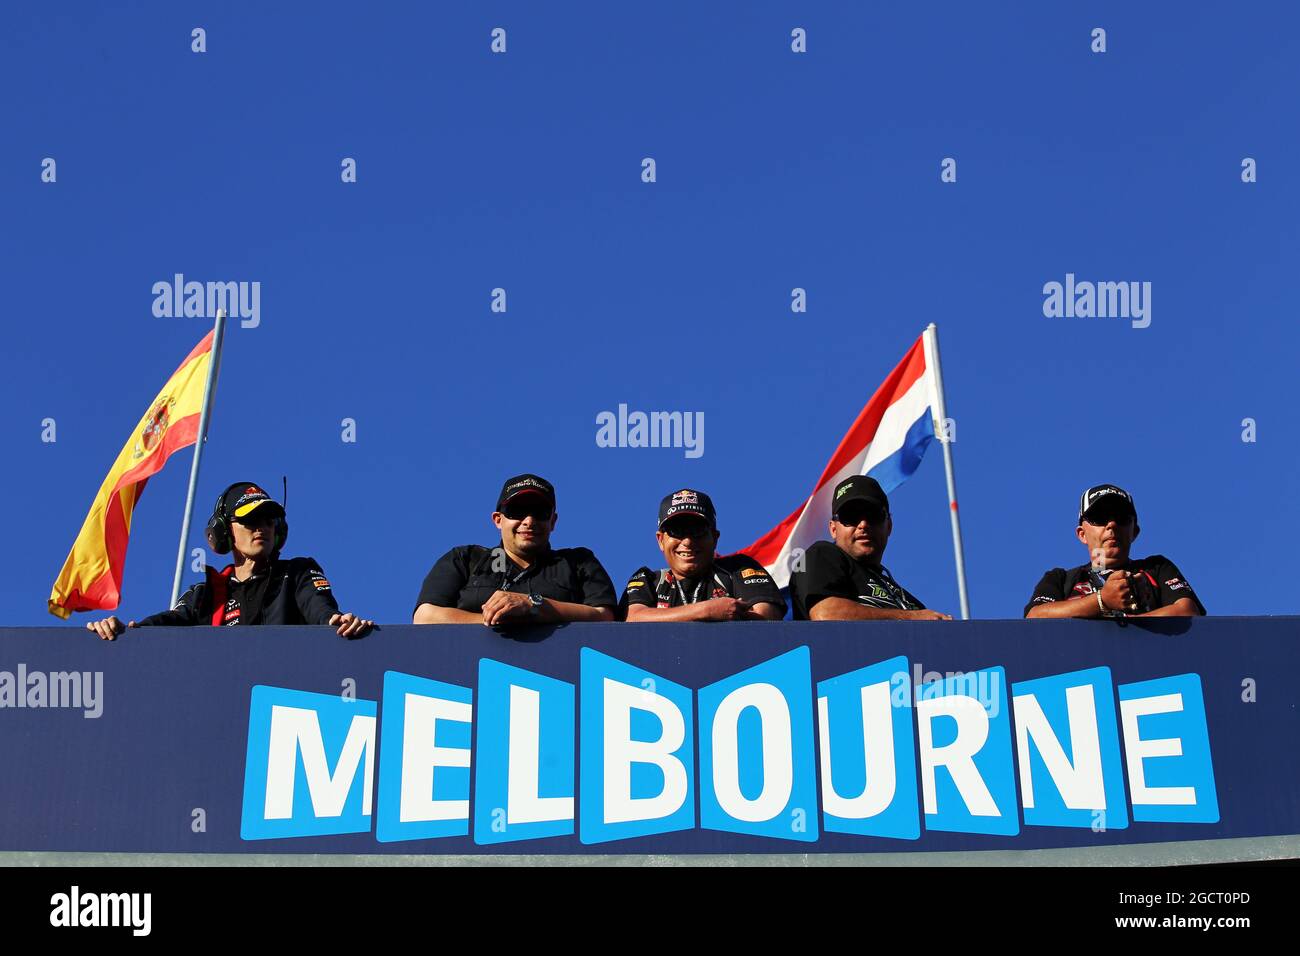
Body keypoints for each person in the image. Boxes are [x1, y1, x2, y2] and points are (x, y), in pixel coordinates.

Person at [86, 482, 374, 639]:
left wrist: (337, 622)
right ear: (225, 532)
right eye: (249, 520)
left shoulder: (298, 572)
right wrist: (122, 630)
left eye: (269, 520)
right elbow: (169, 622)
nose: (261, 527)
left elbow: (319, 608)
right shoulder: (207, 593)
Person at [413, 473, 617, 626]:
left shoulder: (579, 562)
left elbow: (605, 616)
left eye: (540, 513)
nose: (529, 521)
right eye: (517, 511)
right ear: (498, 520)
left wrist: (534, 605)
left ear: (553, 521)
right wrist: (493, 620)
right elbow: (425, 616)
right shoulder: (465, 559)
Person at [1024, 484, 1205, 619]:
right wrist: (1102, 601)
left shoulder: (1156, 568)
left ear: (1134, 531)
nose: (1111, 525)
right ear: (1082, 534)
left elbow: (1187, 610)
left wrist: (1129, 626)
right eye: (1099, 518)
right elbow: (1036, 616)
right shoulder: (1061, 579)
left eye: (1121, 518)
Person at [790, 475, 952, 621]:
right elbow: (827, 615)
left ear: (888, 525)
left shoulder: (912, 603)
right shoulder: (821, 554)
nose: (863, 525)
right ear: (833, 529)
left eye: (873, 515)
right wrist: (909, 617)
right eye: (851, 517)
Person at [619, 489, 785, 622]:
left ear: (715, 537)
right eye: (676, 531)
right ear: (660, 540)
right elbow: (632, 618)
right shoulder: (647, 579)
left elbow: (766, 616)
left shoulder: (739, 568)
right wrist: (707, 611)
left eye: (697, 531)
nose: (688, 541)